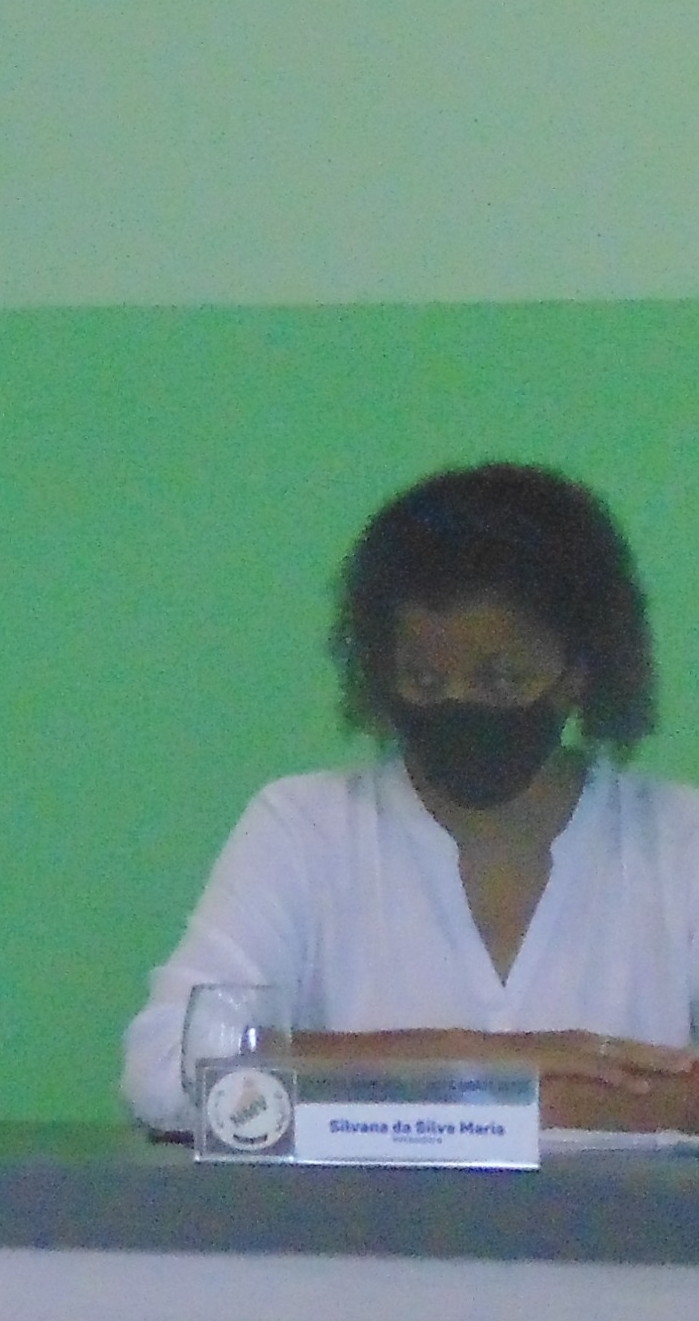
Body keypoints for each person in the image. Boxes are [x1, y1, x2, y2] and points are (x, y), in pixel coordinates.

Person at [120, 464, 699, 1134]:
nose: (459, 705)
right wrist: (476, 1062)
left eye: (501, 680)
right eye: (423, 681)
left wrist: (372, 1081)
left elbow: (228, 1077)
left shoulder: (678, 839)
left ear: (580, 670)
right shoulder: (306, 828)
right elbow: (167, 1071)